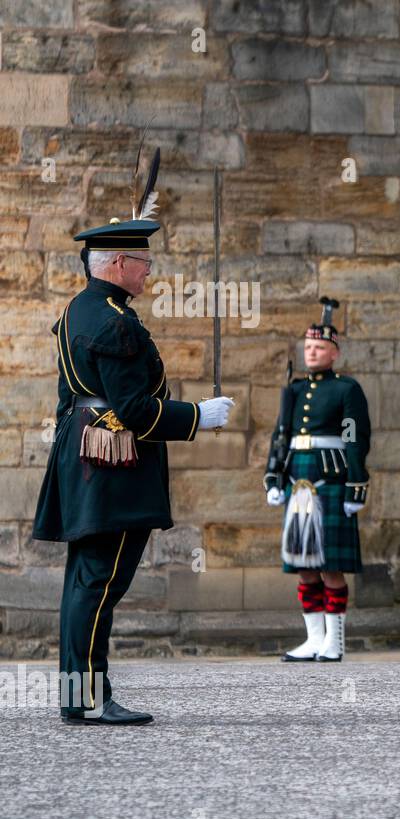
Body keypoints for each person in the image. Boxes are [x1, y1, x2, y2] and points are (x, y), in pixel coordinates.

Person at [33, 175, 235, 724]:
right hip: (112, 463)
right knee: (100, 584)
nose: (150, 271)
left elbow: (73, 400)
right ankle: (92, 700)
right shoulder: (115, 323)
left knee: (86, 581)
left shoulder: (80, 309)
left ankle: (79, 696)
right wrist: (198, 416)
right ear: (117, 265)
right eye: (142, 262)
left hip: (85, 456)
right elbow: (139, 411)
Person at [266, 302, 371, 663]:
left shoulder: (347, 389)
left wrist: (356, 485)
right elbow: (280, 436)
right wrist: (273, 477)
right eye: (308, 347)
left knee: (331, 566)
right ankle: (313, 640)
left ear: (335, 352)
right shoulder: (294, 390)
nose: (312, 352)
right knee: (304, 565)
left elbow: (356, 439)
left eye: (320, 348)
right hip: (299, 480)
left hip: (331, 478)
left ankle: (334, 642)